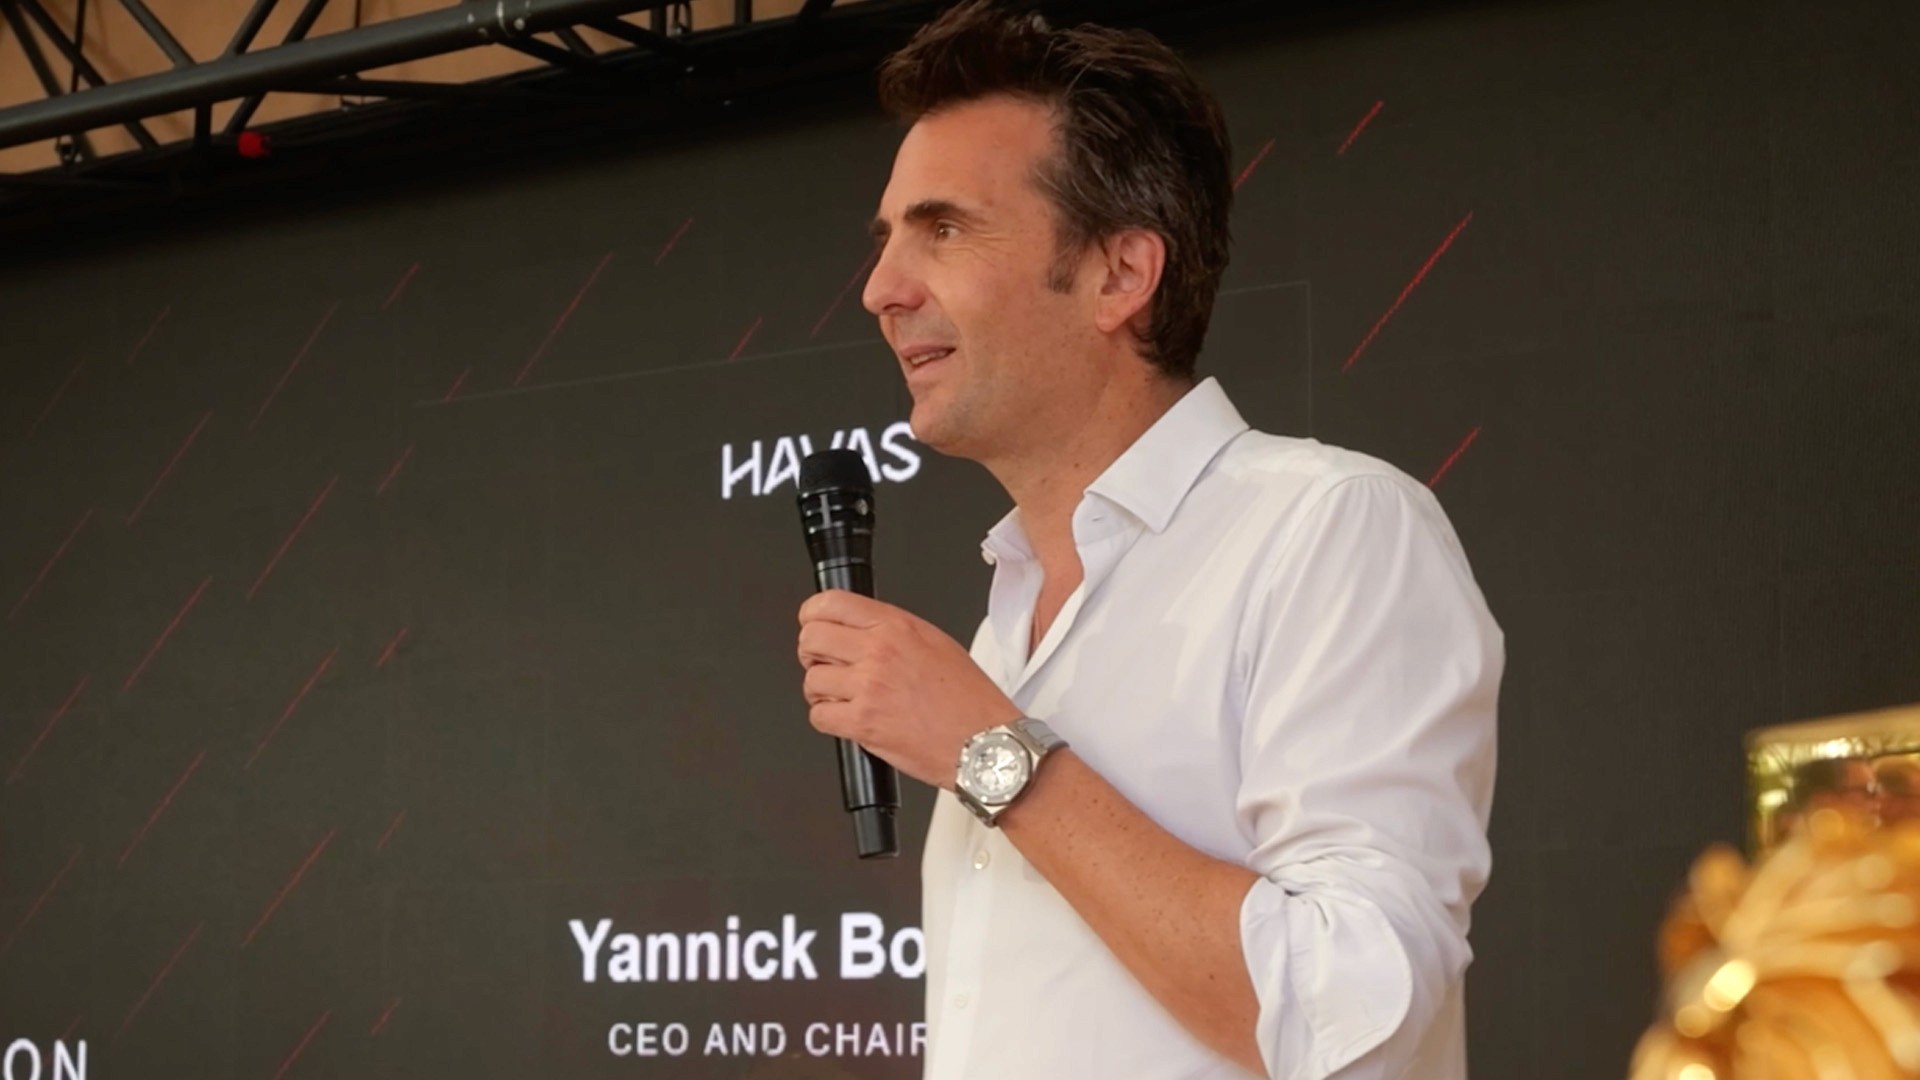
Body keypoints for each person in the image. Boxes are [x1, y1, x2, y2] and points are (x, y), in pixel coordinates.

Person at [793, 4, 1502, 1078]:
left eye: (944, 230)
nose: (882, 289)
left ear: (1121, 275)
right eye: (888, 237)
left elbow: (1358, 1020)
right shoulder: (1010, 615)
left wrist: (994, 754)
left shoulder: (1332, 529)